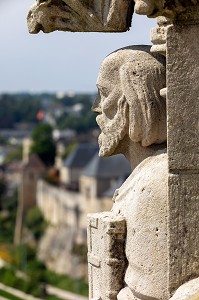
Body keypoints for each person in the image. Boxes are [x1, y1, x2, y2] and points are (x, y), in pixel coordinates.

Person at [93, 45, 169, 299]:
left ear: (131, 103)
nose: (96, 108)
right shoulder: (144, 178)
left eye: (103, 94)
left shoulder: (155, 188)